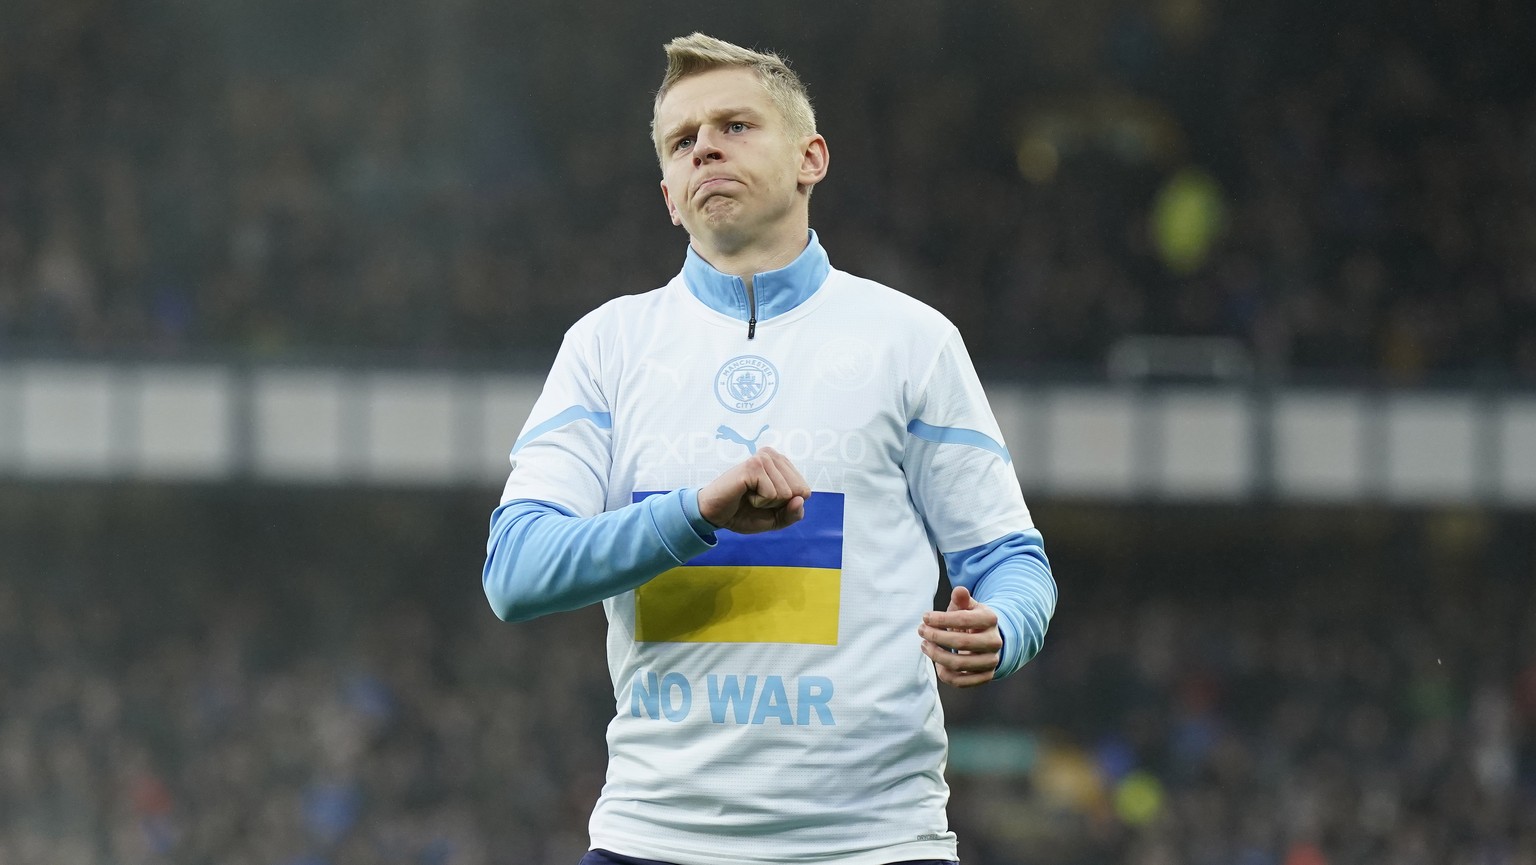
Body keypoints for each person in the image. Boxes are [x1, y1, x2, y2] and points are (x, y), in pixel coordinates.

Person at [483, 32, 1057, 865]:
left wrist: (1006, 625)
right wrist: (696, 513)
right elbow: (515, 570)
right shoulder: (605, 346)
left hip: (874, 843)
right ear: (670, 197)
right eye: (683, 141)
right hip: (655, 838)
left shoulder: (911, 341)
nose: (706, 145)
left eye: (736, 125)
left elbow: (1010, 558)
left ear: (810, 158)